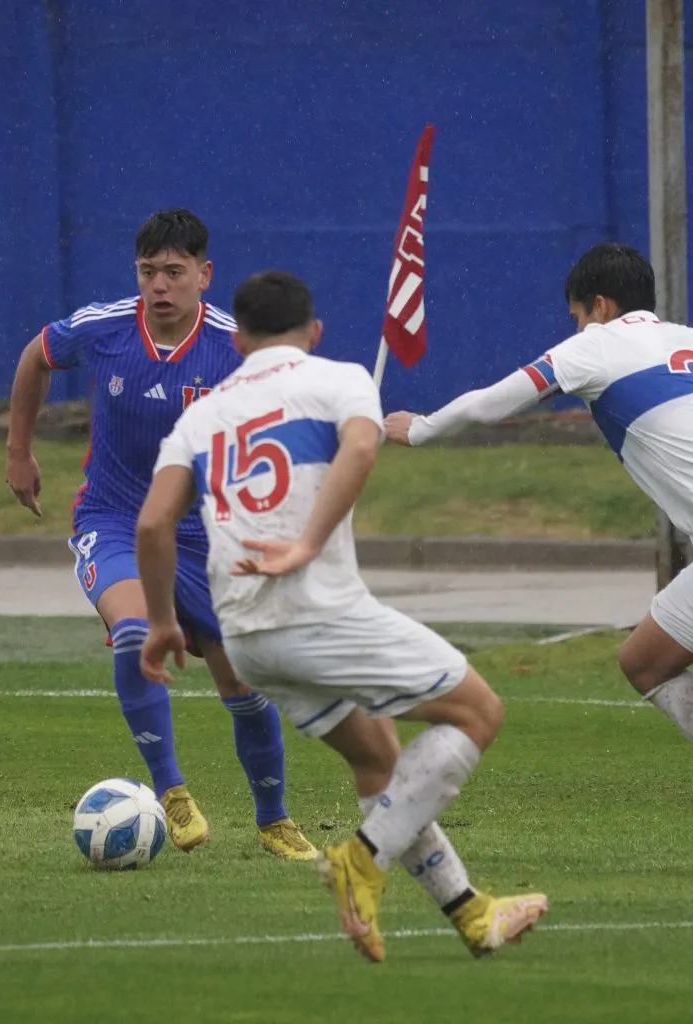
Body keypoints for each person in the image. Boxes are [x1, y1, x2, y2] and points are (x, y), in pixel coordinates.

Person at [135, 269, 547, 962]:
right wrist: (304, 543)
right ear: (314, 331)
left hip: (244, 641)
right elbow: (363, 444)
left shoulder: (201, 416)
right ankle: (361, 860)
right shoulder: (338, 376)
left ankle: (472, 913)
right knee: (478, 713)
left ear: (237, 339)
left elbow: (151, 525)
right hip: (317, 616)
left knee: (381, 764)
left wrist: (161, 622)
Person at [5, 209, 316, 861]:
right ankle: (171, 792)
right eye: (148, 272)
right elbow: (37, 355)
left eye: (174, 272)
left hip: (205, 538)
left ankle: (274, 820)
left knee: (243, 682)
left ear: (205, 275)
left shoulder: (236, 345)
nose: (160, 286)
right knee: (133, 632)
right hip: (113, 518)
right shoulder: (104, 329)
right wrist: (18, 449)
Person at [384, 241, 693, 746]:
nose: (574, 328)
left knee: (648, 663)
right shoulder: (685, 338)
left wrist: (420, 428)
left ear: (601, 305)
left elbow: (491, 404)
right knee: (646, 660)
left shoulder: (594, 345)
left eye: (576, 316)